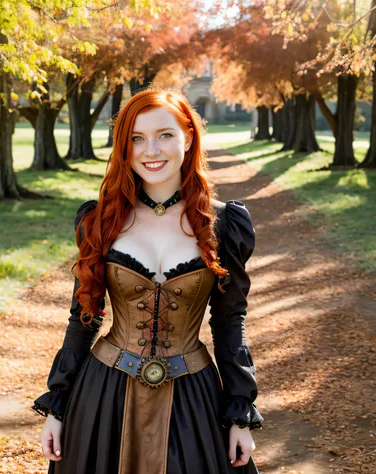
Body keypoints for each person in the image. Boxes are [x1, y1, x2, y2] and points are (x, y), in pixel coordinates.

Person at [32, 87, 264, 474]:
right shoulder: (100, 221)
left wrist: (239, 413)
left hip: (192, 395)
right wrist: (58, 404)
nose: (150, 150)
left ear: (188, 137)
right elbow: (83, 317)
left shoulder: (224, 226)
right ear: (124, 146)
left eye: (165, 135)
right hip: (103, 394)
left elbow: (228, 322)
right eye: (137, 138)